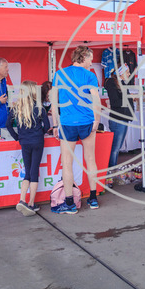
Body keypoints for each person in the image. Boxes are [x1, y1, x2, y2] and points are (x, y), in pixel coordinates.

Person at [51, 46, 102, 214]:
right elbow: (96, 100)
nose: (91, 63)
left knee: (67, 163)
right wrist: (97, 120)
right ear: (83, 57)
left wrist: (55, 124)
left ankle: (69, 203)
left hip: (67, 123)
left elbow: (54, 102)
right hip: (86, 121)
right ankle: (93, 199)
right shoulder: (89, 75)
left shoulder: (60, 74)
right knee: (90, 160)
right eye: (90, 59)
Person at [7, 81, 51, 216]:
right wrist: (40, 133)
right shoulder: (39, 107)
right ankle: (31, 203)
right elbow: (47, 126)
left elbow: (8, 125)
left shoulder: (16, 107)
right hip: (37, 141)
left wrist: (17, 137)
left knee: (27, 172)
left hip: (24, 142)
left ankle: (22, 200)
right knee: (34, 171)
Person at [104, 63, 135, 169]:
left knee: (117, 147)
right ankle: (111, 170)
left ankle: (112, 169)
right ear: (121, 73)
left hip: (123, 118)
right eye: (127, 72)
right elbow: (115, 102)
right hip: (118, 119)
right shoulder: (112, 83)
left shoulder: (122, 83)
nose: (129, 74)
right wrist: (129, 98)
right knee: (115, 147)